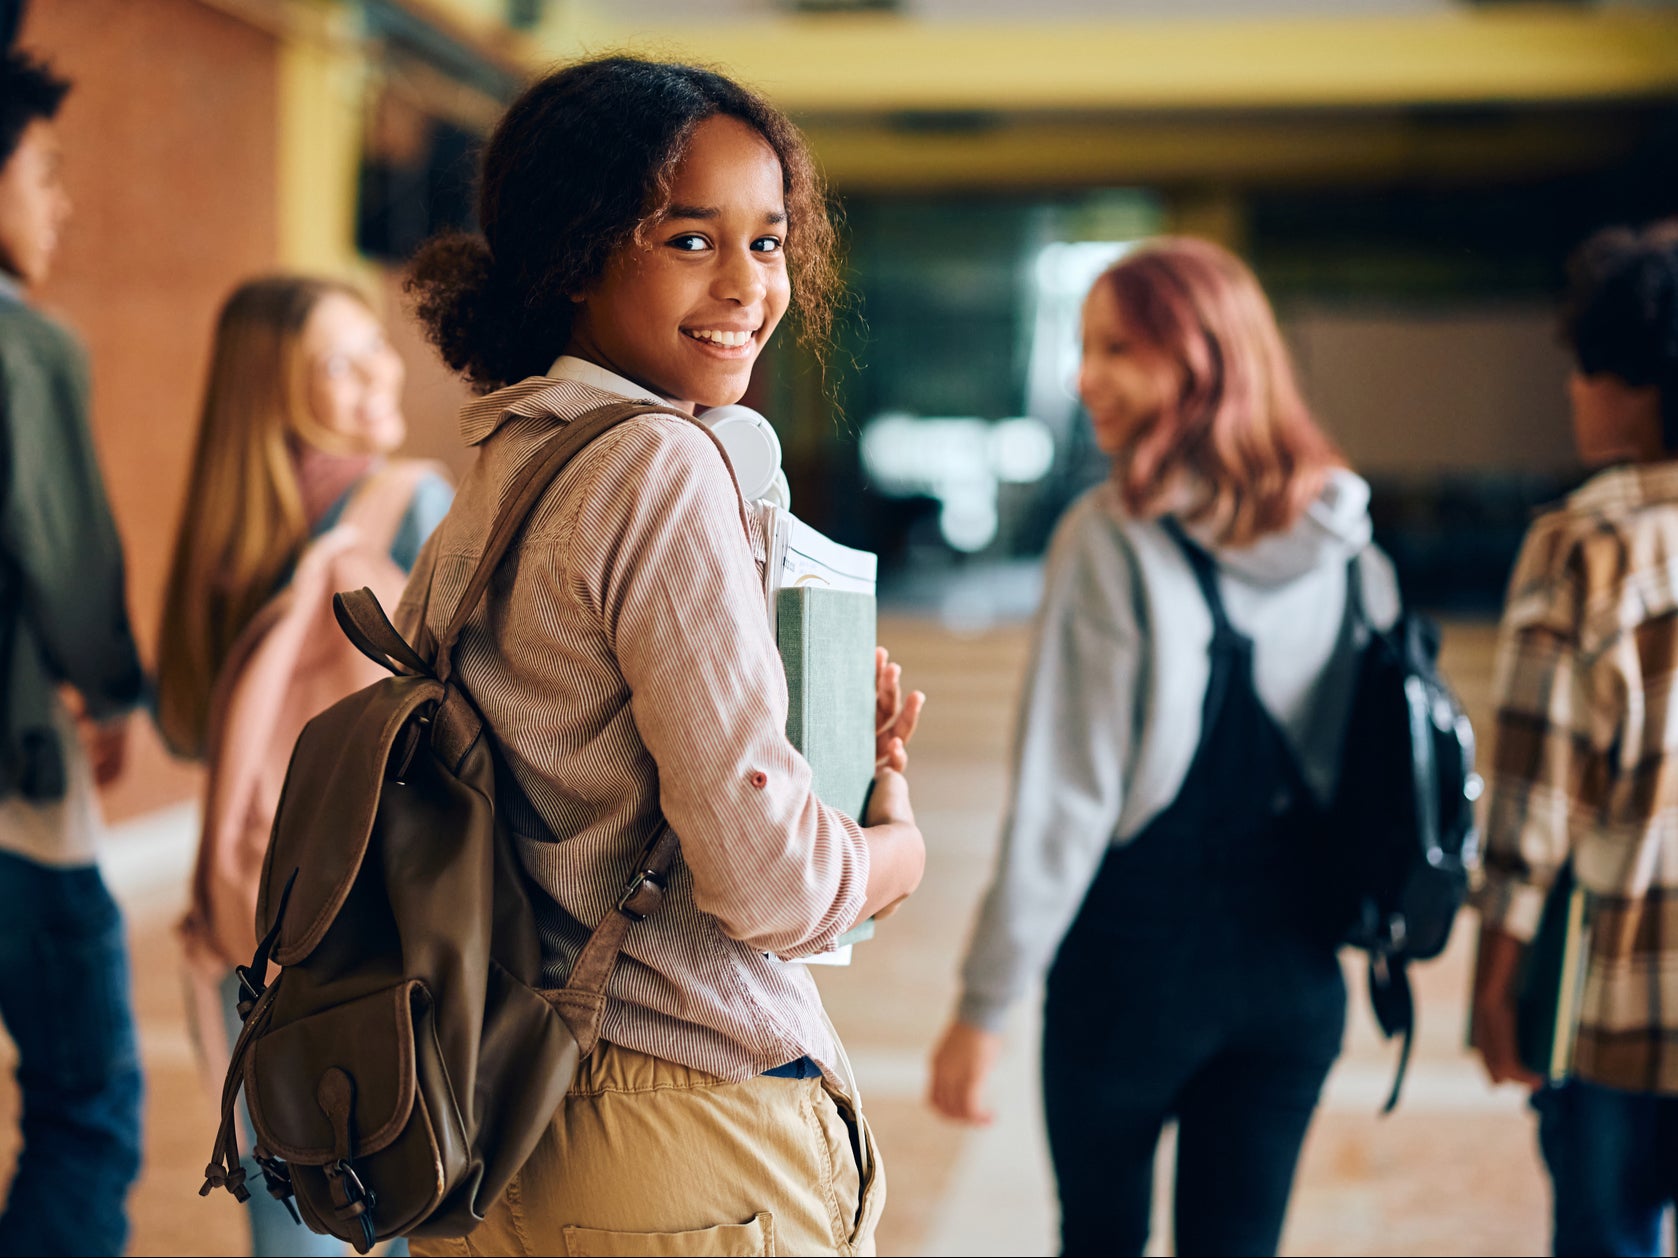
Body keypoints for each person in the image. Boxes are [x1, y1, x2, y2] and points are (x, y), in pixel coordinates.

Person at [398, 55, 925, 1256]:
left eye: (770, 243)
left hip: (492, 1115)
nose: (746, 285)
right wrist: (892, 846)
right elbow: (771, 887)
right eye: (690, 240)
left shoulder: (505, 464)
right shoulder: (661, 467)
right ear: (577, 254)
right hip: (679, 1135)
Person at [929, 237, 1400, 1257]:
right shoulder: (1350, 544)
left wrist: (982, 1005)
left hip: (1131, 976)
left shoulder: (1110, 539)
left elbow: (1066, 800)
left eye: (1115, 349)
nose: (1081, 376)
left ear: (1196, 361)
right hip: (1296, 978)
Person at [154, 275, 452, 1258]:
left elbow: (191, 729)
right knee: (399, 1197)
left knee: (294, 1220)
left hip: (252, 932)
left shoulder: (224, 544)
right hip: (375, 931)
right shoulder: (409, 506)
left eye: (374, 345)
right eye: (338, 358)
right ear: (270, 387)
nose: (377, 371)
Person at [1471, 221, 1678, 1257]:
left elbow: (1532, 799)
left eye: (1582, 366)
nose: (1571, 390)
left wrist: (1494, 976)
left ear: (1633, 378)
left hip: (1618, 1004)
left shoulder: (1585, 542)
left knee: (1607, 1234)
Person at [0, 47, 146, 1256]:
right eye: (43, 171)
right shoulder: (22, 346)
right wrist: (111, 694)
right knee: (86, 1108)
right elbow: (65, 555)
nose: (61, 203)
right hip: (14, 794)